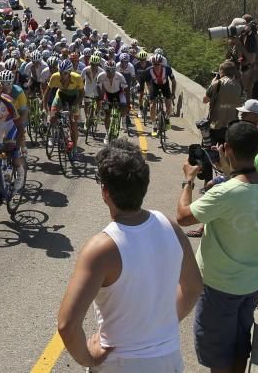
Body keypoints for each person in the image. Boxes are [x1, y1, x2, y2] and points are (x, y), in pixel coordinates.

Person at [58, 139, 202, 372]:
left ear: (105, 192)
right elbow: (194, 287)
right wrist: (158, 328)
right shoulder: (170, 227)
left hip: (121, 363)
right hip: (169, 359)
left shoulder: (101, 249)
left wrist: (89, 359)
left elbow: (67, 325)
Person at [176, 121, 258, 373]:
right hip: (252, 282)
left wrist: (188, 181)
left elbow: (183, 217)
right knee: (239, 343)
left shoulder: (224, 193)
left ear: (227, 148)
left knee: (218, 355)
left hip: (220, 287)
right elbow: (243, 188)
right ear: (256, 150)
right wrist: (229, 169)